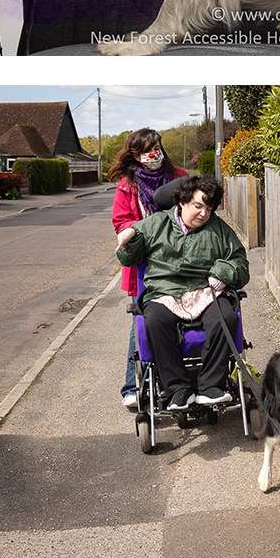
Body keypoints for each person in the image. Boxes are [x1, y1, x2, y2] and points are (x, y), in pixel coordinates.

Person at [114, 174, 249, 412]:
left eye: (208, 208)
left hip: (205, 291)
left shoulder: (219, 230)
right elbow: (130, 256)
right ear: (183, 201)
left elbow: (239, 263)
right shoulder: (157, 223)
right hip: (165, 291)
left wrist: (222, 271)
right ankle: (178, 389)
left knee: (226, 316)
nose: (203, 214)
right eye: (198, 206)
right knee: (153, 321)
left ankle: (210, 387)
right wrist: (129, 238)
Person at [109, 128, 185, 410]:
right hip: (144, 264)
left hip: (180, 259)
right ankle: (131, 386)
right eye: (145, 151)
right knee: (142, 321)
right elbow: (122, 224)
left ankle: (178, 379)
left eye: (155, 148)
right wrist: (148, 232)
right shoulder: (128, 186)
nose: (152, 155)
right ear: (135, 155)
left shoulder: (179, 177)